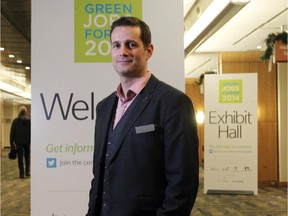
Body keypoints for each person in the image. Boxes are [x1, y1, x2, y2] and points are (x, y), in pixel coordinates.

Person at [87, 16, 199, 216]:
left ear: (149, 51)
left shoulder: (173, 103)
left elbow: (183, 183)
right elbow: (100, 176)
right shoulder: (103, 108)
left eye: (131, 44)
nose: (123, 51)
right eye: (116, 45)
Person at [10, 105, 31, 179]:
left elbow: (12, 132)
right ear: (25, 111)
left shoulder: (15, 121)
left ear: (19, 111)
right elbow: (31, 131)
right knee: (27, 157)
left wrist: (11, 143)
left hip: (19, 142)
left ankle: (21, 174)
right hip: (27, 142)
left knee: (20, 158)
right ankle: (27, 172)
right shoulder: (29, 121)